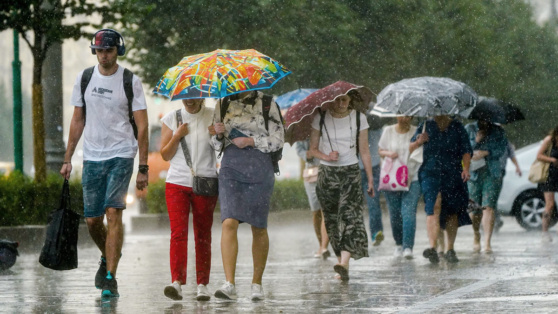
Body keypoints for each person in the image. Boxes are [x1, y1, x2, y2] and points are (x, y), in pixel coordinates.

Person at [60, 29, 148, 297]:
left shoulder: (129, 80)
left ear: (117, 51)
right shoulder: (85, 78)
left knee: (113, 212)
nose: (104, 55)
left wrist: (143, 167)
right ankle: (108, 255)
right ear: (94, 51)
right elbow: (78, 120)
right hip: (93, 156)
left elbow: (142, 126)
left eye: (109, 50)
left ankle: (110, 277)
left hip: (122, 154)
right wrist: (67, 158)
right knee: (92, 221)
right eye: (100, 50)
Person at [210, 90, 284, 301]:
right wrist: (218, 135)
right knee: (228, 222)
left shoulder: (268, 103)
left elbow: (279, 139)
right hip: (231, 167)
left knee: (259, 226)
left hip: (260, 166)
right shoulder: (222, 104)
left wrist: (250, 141)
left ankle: (256, 284)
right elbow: (216, 145)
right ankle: (229, 283)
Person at [309, 92, 373, 281]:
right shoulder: (320, 117)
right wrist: (326, 156)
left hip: (351, 172)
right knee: (331, 219)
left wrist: (370, 179)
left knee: (350, 215)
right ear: (330, 100)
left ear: (351, 100)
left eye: (345, 99)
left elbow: (364, 151)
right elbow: (312, 149)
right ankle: (340, 262)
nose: (341, 103)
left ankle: (344, 261)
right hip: (327, 174)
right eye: (337, 99)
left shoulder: (360, 118)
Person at [159, 98, 218, 301]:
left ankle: (202, 284)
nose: (189, 100)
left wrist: (218, 134)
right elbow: (165, 155)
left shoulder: (213, 114)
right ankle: (176, 282)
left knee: (203, 234)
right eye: (185, 96)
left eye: (194, 95)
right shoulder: (171, 118)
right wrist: (176, 136)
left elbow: (223, 148)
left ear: (202, 96)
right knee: (178, 233)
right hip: (177, 182)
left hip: (206, 181)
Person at [410, 115, 472, 264]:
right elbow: (410, 147)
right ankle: (433, 247)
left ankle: (450, 249)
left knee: (452, 210)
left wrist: (466, 169)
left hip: (453, 172)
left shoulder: (457, 127)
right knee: (433, 207)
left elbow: (466, 150)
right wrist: (419, 141)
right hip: (430, 172)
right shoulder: (425, 125)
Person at [378, 116, 422, 259]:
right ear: (397, 115)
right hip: (392, 178)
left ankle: (408, 246)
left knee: (408, 211)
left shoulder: (417, 131)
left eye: (409, 115)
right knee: (395, 213)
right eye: (402, 115)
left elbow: (420, 153)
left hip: (413, 176)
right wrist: (388, 153)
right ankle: (398, 244)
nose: (405, 118)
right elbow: (380, 150)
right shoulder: (388, 130)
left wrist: (420, 142)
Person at [465, 120, 508, 253]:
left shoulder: (498, 131)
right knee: (475, 210)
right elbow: (463, 148)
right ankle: (476, 234)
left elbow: (501, 149)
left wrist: (487, 152)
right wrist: (476, 141)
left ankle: (487, 242)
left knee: (488, 207)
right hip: (474, 174)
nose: (484, 120)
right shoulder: (469, 128)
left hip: (492, 173)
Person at [295, 139, 330, 259]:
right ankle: (321, 244)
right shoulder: (302, 131)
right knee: (316, 212)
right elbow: (299, 149)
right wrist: (307, 154)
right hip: (311, 173)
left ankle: (324, 247)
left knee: (326, 210)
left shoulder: (325, 126)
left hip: (327, 171)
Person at [360, 114, 385, 247]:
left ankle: (355, 236)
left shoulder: (354, 122)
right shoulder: (378, 123)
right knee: (373, 203)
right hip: (374, 167)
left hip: (357, 167)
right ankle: (376, 232)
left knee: (353, 205)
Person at [537, 126, 558, 242]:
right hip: (549, 175)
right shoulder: (549, 140)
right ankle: (544, 231)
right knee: (549, 205)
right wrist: (552, 160)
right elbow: (539, 156)